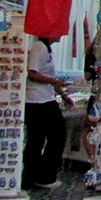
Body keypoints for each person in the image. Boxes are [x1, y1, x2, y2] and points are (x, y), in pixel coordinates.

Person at [23, 36, 73, 190]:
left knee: (38, 139)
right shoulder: (40, 47)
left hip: (45, 98)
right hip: (37, 101)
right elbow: (32, 73)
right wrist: (53, 82)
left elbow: (48, 77)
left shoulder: (47, 49)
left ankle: (34, 175)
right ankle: (43, 175)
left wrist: (63, 94)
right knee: (56, 135)